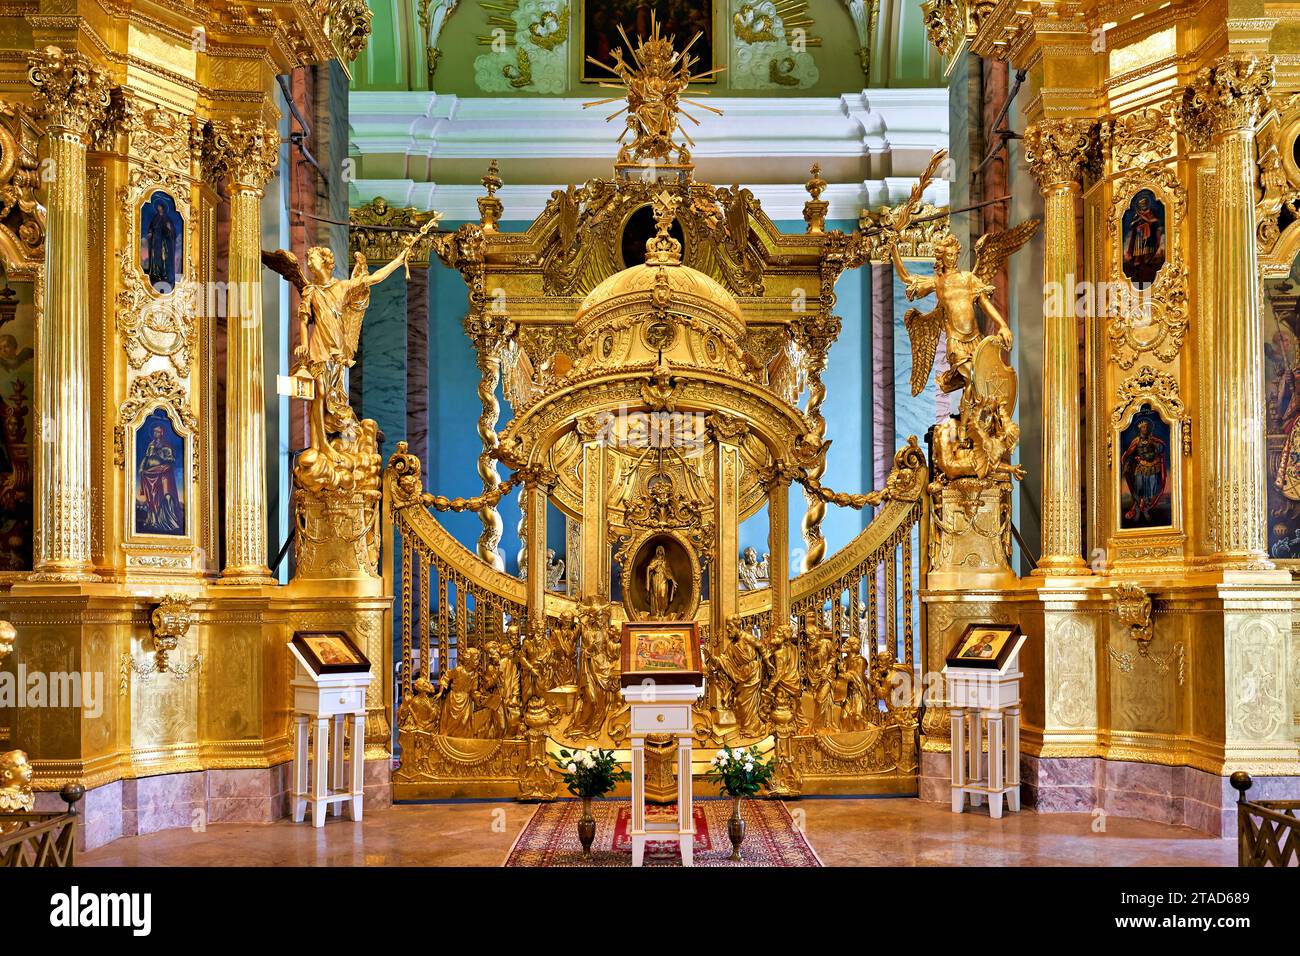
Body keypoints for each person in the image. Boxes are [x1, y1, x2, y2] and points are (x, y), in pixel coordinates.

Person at [136, 420, 184, 534]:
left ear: (162, 433)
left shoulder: (167, 446)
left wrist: (162, 455)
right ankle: (152, 520)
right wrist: (142, 468)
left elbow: (171, 459)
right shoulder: (151, 445)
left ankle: (166, 521)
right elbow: (146, 458)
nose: (156, 433)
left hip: (163, 474)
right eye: (154, 431)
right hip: (150, 475)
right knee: (151, 498)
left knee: (164, 496)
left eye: (158, 431)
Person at [1120, 418, 1168, 525]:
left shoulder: (1153, 439)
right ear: (1140, 429)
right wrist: (1128, 464)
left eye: (1146, 427)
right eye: (1143, 427)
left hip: (1152, 468)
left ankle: (1146, 509)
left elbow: (1161, 449)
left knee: (1150, 490)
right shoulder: (1136, 441)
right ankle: (1137, 510)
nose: (1145, 429)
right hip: (1141, 467)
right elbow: (1130, 454)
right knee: (1138, 488)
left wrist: (1156, 445)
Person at [1123, 194, 1165, 288]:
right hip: (1139, 234)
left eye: (1143, 203)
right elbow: (1132, 224)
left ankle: (1147, 259)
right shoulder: (1137, 214)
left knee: (1146, 248)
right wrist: (1137, 222)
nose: (1142, 205)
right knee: (1138, 248)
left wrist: (1144, 219)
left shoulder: (1149, 212)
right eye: (1141, 204)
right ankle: (1138, 260)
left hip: (1149, 234)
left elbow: (1154, 221)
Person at [144, 196, 177, 292]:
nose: (159, 209)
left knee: (164, 258)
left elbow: (172, 231)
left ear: (163, 208)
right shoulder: (155, 218)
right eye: (157, 207)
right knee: (155, 258)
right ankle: (156, 274)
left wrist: (169, 229)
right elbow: (151, 228)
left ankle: (165, 275)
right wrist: (150, 233)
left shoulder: (167, 219)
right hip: (156, 242)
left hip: (164, 242)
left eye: (160, 207)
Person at [645, 543, 678, 618]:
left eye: (661, 550)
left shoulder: (665, 561)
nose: (660, 552)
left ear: (663, 552)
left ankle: (662, 611)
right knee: (656, 595)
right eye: (658, 550)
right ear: (657, 552)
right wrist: (655, 565)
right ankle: (657, 612)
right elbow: (649, 568)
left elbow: (669, 571)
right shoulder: (654, 560)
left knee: (663, 594)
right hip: (655, 578)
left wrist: (673, 580)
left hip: (663, 578)